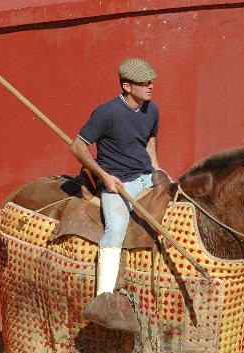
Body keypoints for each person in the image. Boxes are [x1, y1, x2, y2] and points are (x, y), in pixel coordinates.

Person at [70, 57, 162, 332]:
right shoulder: (107, 113)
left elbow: (150, 140)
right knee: (116, 229)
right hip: (117, 183)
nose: (150, 87)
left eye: (151, 82)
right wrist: (104, 177)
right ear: (126, 86)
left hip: (145, 177)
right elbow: (78, 146)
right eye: (144, 83)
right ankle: (104, 301)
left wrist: (157, 169)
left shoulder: (152, 109)